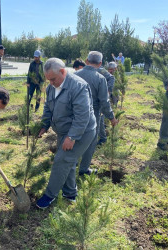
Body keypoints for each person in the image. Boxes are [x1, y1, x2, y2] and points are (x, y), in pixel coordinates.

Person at [36, 58, 97, 209]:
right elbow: (48, 108)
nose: (50, 83)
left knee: (62, 160)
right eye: (48, 79)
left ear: (63, 72)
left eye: (53, 79)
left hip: (82, 132)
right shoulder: (51, 87)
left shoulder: (78, 86)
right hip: (64, 131)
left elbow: (82, 116)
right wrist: (44, 124)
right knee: (68, 161)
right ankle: (70, 193)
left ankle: (50, 195)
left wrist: (72, 137)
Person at [75, 51, 118, 175]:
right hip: (93, 114)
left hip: (75, 113)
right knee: (91, 140)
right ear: (100, 63)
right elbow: (104, 102)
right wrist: (112, 118)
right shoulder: (100, 79)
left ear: (87, 61)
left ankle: (73, 163)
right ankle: (83, 169)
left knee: (75, 137)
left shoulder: (75, 75)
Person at [97, 61, 117, 145]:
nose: (110, 71)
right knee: (101, 117)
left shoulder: (102, 71)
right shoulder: (103, 73)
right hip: (102, 98)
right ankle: (102, 135)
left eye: (112, 69)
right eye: (109, 69)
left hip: (108, 97)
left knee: (101, 117)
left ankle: (103, 138)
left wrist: (108, 92)